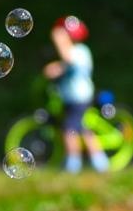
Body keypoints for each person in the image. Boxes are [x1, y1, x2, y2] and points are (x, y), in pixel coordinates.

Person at [43, 16, 107, 174]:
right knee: (83, 129)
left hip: (79, 98)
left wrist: (59, 40)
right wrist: (54, 69)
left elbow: (68, 58)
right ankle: (100, 163)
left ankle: (73, 164)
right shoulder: (76, 52)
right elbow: (65, 66)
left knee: (69, 130)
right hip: (74, 98)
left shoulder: (79, 51)